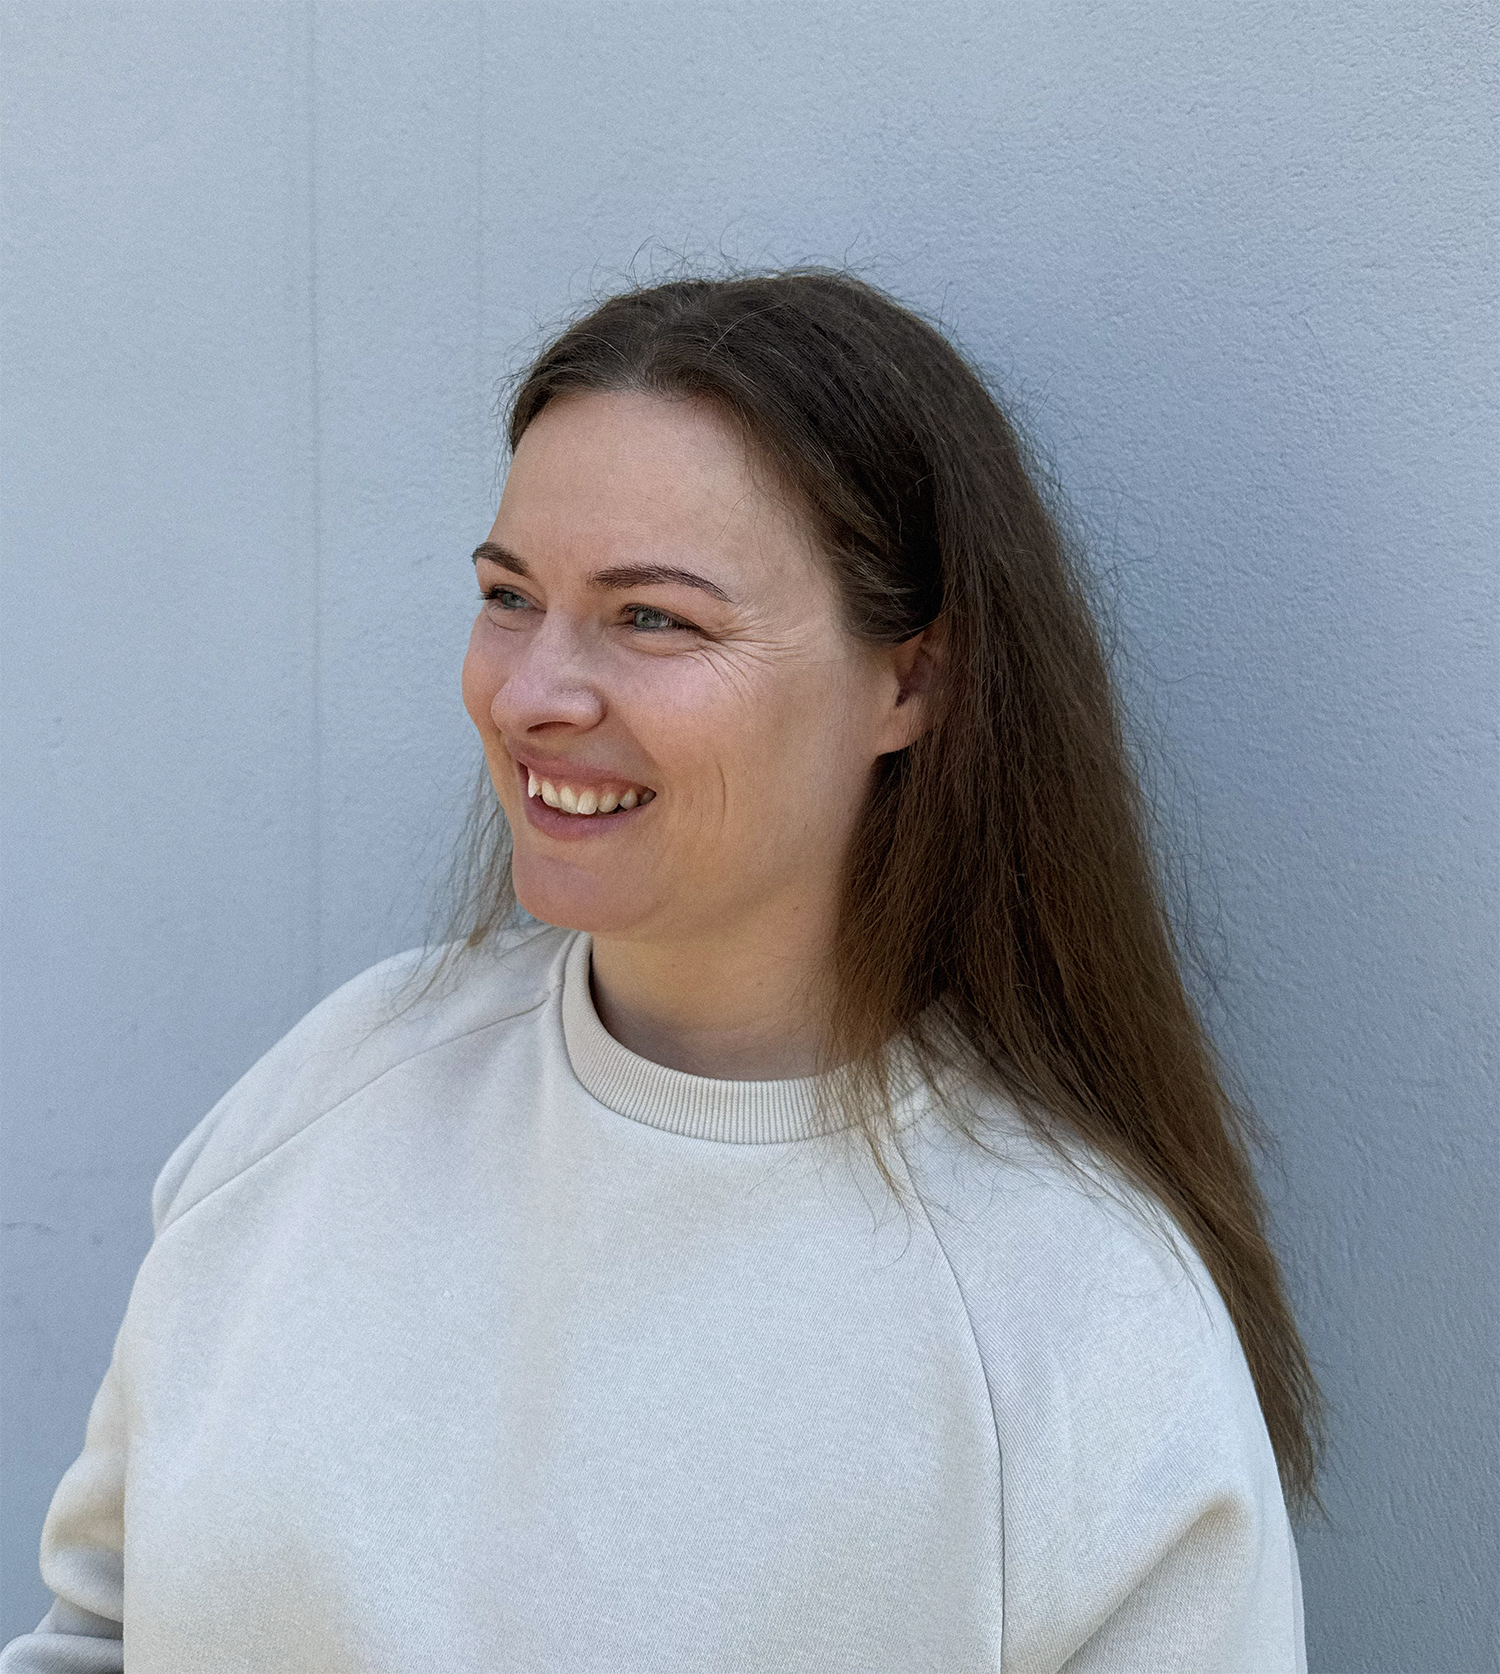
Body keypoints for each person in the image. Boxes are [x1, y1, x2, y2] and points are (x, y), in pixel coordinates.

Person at [3, 270, 1319, 1673]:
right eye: (509, 596)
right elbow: (98, 1632)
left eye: (653, 619)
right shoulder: (333, 1094)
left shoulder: (1082, 1327)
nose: (530, 693)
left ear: (913, 683)